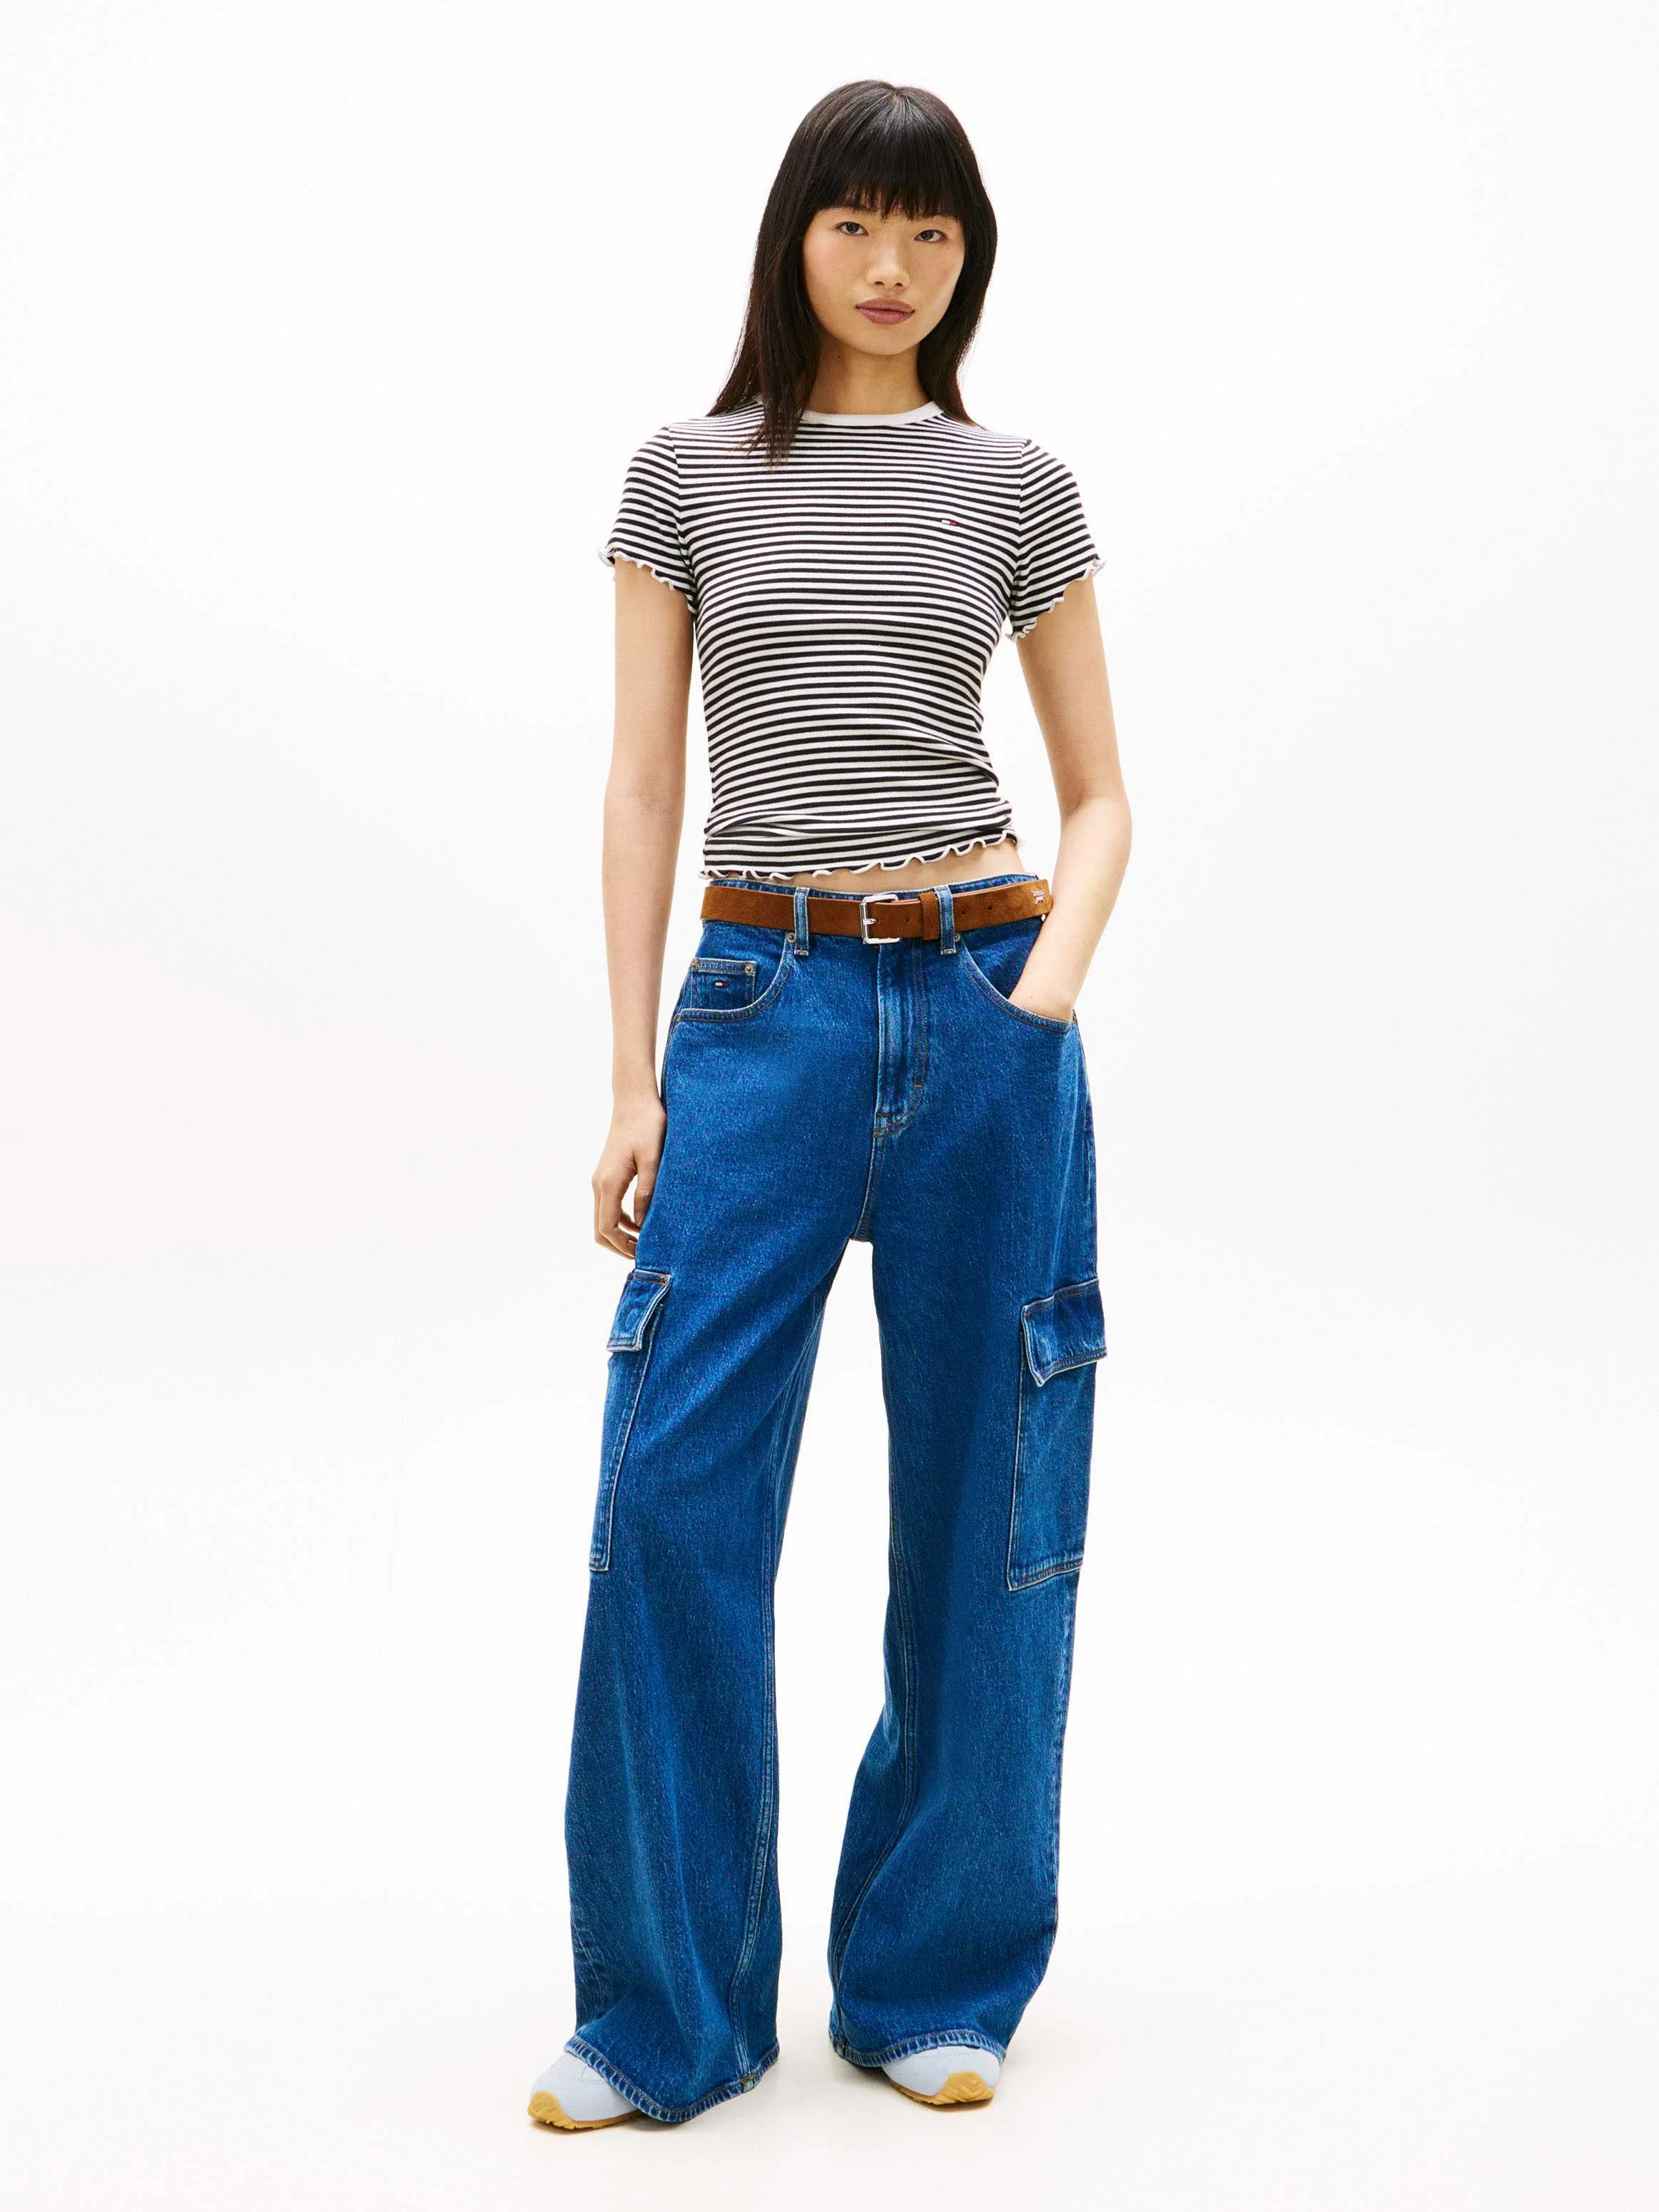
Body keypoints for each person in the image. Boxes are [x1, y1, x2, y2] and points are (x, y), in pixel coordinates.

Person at [527, 77, 1132, 2131]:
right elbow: (642, 785)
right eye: (857, 222)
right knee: (671, 1497)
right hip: (759, 1004)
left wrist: (1038, 1004)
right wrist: (633, 1072)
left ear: (971, 259)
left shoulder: (1013, 487)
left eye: (932, 232)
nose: (892, 266)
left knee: (990, 1495)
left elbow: (1102, 795)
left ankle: (935, 1978)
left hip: (982, 996)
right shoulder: (686, 479)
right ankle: (664, 2012)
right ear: (794, 236)